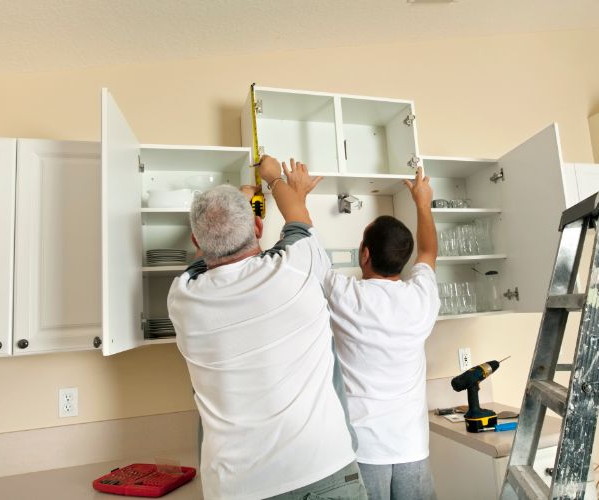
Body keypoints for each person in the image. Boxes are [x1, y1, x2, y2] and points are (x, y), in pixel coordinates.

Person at [167, 155, 367, 500]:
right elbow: (297, 220)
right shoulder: (298, 268)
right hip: (323, 467)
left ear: (196, 242)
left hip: (237, 487)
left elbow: (204, 263)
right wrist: (275, 180)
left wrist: (241, 205)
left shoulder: (182, 299)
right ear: (258, 229)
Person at [323, 167, 441, 500]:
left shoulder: (346, 295)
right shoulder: (421, 297)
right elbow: (429, 252)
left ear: (365, 253)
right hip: (413, 448)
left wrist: (292, 192)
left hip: (363, 449)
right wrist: (422, 203)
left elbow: (309, 251)